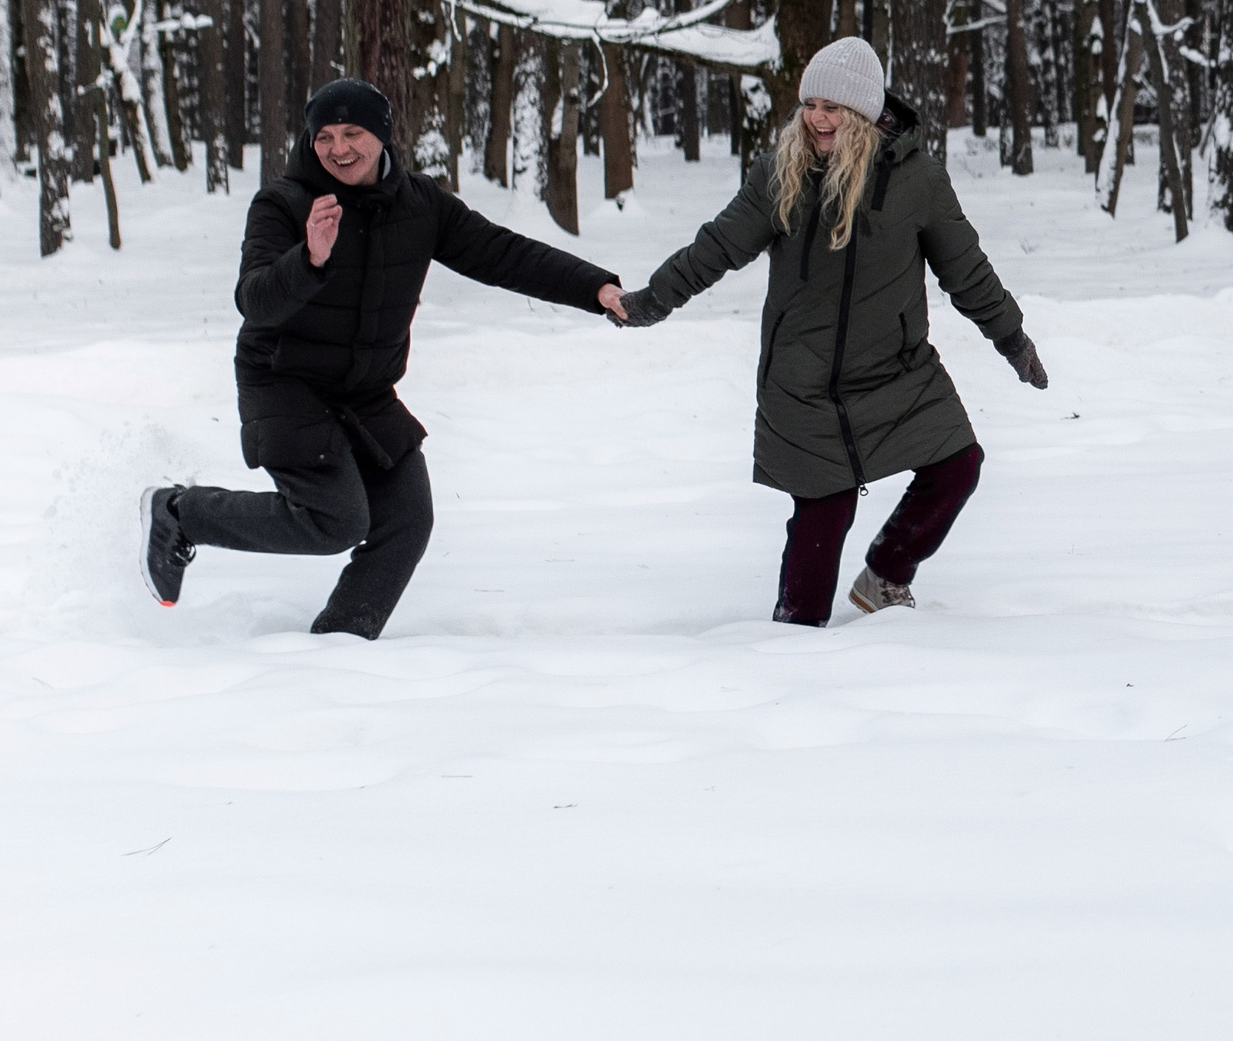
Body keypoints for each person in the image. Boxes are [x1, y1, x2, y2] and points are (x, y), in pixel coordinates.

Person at [140, 78, 629, 638]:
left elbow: (503, 254)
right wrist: (310, 259)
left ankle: (342, 643)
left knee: (407, 519)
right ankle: (180, 513)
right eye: (324, 136)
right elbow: (253, 300)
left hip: (365, 391)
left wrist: (595, 289)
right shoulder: (285, 203)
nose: (338, 148)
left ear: (383, 136)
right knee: (334, 521)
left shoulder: (421, 206)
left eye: (353, 133)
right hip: (284, 381)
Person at [612, 37, 1047, 624]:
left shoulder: (917, 181)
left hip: (897, 373)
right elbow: (716, 247)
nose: (818, 119)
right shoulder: (781, 174)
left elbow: (965, 269)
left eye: (833, 107)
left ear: (865, 114)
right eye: (810, 104)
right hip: (804, 384)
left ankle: (887, 573)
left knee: (957, 465)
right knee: (819, 542)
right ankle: (790, 651)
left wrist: (1012, 339)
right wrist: (652, 301)